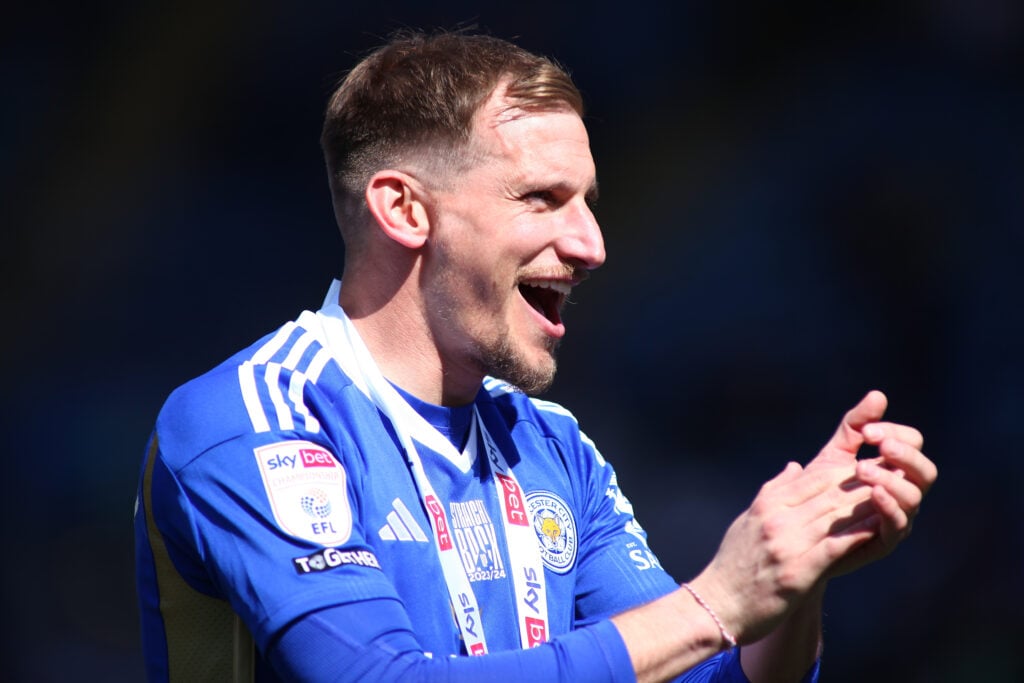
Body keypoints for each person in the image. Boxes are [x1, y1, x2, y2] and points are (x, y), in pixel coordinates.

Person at [134, 30, 936, 682]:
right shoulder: (257, 419)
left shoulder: (551, 446)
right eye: (542, 198)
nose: (592, 243)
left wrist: (793, 582)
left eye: (588, 200)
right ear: (405, 210)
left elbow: (695, 671)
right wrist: (714, 603)